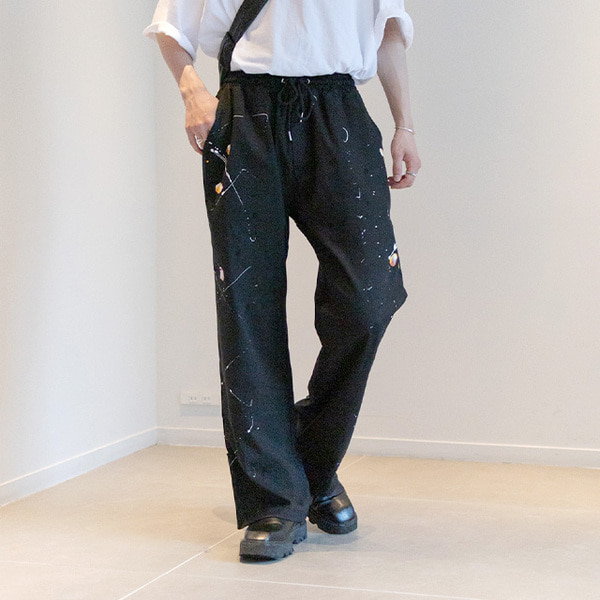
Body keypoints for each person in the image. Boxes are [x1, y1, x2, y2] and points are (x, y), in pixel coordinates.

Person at [144, 0, 421, 561]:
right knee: (248, 304)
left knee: (369, 298)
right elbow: (171, 26)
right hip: (245, 113)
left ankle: (307, 464)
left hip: (339, 112)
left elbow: (388, 31)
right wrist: (192, 90)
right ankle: (273, 499)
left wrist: (404, 125)